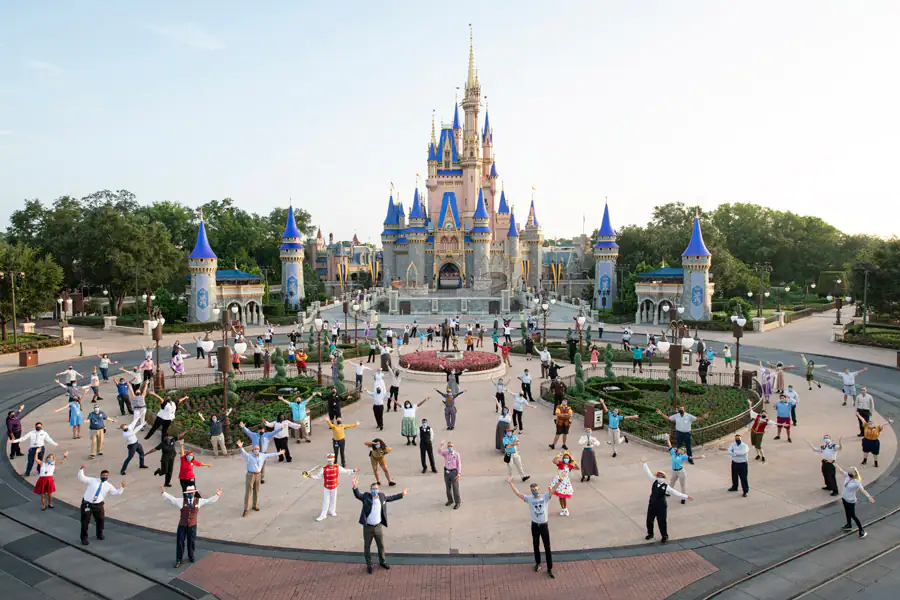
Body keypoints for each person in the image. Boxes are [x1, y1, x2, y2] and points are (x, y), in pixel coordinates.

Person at [506, 476, 562, 578]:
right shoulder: (529, 499)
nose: (535, 492)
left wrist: (559, 481)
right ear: (531, 491)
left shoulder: (545, 497)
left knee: (547, 547)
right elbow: (518, 493)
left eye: (536, 490)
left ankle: (549, 568)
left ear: (539, 490)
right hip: (535, 525)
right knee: (536, 545)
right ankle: (538, 563)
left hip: (544, 525)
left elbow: (553, 489)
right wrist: (511, 483)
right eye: (533, 490)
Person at [351, 475, 409, 574]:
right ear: (370, 490)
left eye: (376, 489)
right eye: (373, 489)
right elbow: (358, 495)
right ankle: (369, 565)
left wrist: (402, 495)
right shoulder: (366, 497)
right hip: (368, 528)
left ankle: (382, 562)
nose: (375, 490)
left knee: (381, 546)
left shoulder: (381, 497)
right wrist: (355, 487)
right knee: (367, 547)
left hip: (378, 527)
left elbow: (391, 498)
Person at [161, 483, 222, 567]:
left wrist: (217, 495)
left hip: (192, 525)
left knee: (191, 541)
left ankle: (191, 556)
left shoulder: (198, 501)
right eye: (188, 493)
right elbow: (172, 499)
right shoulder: (182, 501)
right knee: (180, 541)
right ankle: (179, 559)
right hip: (182, 524)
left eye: (191, 493)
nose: (189, 495)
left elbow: (209, 501)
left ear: (194, 493)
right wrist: (164, 493)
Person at [641, 458, 691, 543]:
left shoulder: (666, 487)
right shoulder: (654, 482)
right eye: (658, 476)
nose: (659, 478)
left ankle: (664, 536)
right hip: (652, 504)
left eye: (661, 477)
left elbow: (676, 493)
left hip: (661, 506)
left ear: (663, 478)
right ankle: (650, 534)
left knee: (662, 521)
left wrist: (685, 496)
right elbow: (648, 473)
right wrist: (645, 464)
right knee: (649, 520)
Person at [77, 465, 125, 545]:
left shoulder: (108, 485)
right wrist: (81, 469)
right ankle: (84, 538)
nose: (105, 477)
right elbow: (82, 478)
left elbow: (115, 493)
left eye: (106, 476)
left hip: (98, 505)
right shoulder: (93, 480)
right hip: (87, 504)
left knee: (100, 519)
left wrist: (122, 487)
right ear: (100, 475)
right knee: (85, 521)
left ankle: (99, 534)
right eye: (103, 475)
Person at [306, 453, 360, 521]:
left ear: (333, 460)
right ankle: (323, 515)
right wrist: (311, 476)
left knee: (333, 499)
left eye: (331, 461)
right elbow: (319, 477)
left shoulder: (337, 467)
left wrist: (353, 470)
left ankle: (332, 510)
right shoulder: (324, 469)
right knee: (326, 501)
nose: (330, 462)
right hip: (327, 487)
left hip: (334, 486)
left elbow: (345, 471)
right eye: (329, 461)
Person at [237, 440, 283, 516]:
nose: (256, 450)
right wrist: (241, 447)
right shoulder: (249, 456)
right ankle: (246, 509)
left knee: (256, 490)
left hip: (258, 475)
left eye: (258, 449)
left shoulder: (262, 455)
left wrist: (279, 453)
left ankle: (254, 505)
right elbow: (243, 453)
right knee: (248, 492)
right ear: (252, 450)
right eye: (255, 449)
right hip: (250, 475)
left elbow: (270, 455)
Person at [834, 464, 874, 539]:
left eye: (851, 472)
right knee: (847, 512)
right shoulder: (848, 476)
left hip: (850, 500)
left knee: (852, 515)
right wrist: (834, 463)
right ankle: (849, 525)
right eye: (849, 472)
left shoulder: (856, 481)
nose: (849, 473)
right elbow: (841, 470)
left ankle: (861, 530)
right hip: (844, 498)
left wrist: (869, 497)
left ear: (855, 473)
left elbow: (862, 489)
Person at [665, 433, 705, 502]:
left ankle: (683, 498)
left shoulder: (682, 457)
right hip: (674, 471)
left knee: (682, 485)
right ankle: (668, 492)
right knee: (671, 483)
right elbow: (669, 445)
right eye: (681, 449)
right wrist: (667, 438)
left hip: (681, 472)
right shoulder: (673, 453)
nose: (682, 450)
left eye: (683, 450)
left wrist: (700, 457)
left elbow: (691, 457)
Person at [549, 451, 578, 516]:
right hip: (559, 481)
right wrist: (558, 455)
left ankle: (565, 508)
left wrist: (574, 461)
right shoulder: (560, 463)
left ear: (569, 459)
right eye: (565, 457)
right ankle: (563, 508)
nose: (566, 459)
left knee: (564, 497)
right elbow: (554, 461)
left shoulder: (570, 465)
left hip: (565, 482)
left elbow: (577, 468)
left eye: (567, 458)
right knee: (560, 496)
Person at [439, 440, 462, 509]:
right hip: (447, 471)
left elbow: (459, 464)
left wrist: (458, 474)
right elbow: (439, 452)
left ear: (453, 447)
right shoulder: (446, 453)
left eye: (451, 446)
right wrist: (441, 445)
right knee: (448, 488)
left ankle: (457, 502)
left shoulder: (456, 454)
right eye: (448, 446)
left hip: (454, 472)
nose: (450, 448)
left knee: (455, 488)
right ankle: (450, 500)